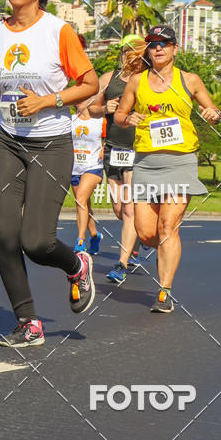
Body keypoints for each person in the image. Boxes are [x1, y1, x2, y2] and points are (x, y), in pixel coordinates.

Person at [0, 0, 99, 348]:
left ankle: (77, 265)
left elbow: (90, 83)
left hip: (51, 143)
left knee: (36, 242)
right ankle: (28, 322)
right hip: (7, 140)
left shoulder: (58, 31)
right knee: (1, 234)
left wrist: (48, 101)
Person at [114, 25, 221, 314]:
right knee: (146, 232)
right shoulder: (137, 81)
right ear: (147, 50)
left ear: (175, 48)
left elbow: (213, 113)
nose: (158, 48)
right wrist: (128, 118)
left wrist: (213, 114)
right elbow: (119, 115)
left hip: (180, 160)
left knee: (167, 228)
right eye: (152, 44)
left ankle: (165, 291)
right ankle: (157, 254)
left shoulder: (191, 80)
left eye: (164, 43)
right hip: (147, 162)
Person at [88, 34, 147, 284]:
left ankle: (121, 264)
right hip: (113, 148)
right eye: (126, 51)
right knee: (118, 208)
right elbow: (91, 108)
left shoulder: (148, 80)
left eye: (135, 51)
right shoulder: (108, 78)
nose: (129, 55)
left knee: (130, 208)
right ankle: (138, 236)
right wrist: (104, 110)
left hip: (137, 149)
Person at [70, 99, 104, 254]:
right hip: (75, 167)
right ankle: (95, 236)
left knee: (81, 199)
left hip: (93, 166)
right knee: (83, 205)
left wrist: (106, 146)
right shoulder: (71, 120)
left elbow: (114, 134)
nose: (79, 102)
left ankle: (80, 240)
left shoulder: (99, 121)